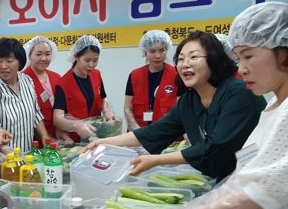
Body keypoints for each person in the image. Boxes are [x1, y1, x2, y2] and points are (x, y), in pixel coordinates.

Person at [132, 2, 288, 209]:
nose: (241, 69)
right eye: (239, 58)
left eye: (249, 56)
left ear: (285, 51)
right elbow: (246, 170)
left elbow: (262, 193)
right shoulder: (275, 106)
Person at [80, 30, 266, 183]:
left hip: (257, 180)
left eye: (194, 57)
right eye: (181, 59)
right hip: (226, 181)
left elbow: (214, 147)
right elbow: (154, 132)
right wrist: (103, 142)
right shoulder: (190, 101)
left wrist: (156, 160)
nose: (186, 64)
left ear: (215, 59)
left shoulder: (239, 93)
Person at [0, 37, 50, 153]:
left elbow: (36, 113)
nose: (3, 66)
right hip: (5, 156)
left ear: (20, 62)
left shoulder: (27, 80)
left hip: (28, 152)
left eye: (9, 61)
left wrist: (45, 138)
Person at [53, 35, 120, 143]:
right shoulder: (63, 84)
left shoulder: (97, 74)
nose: (91, 65)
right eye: (87, 60)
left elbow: (102, 98)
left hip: (96, 134)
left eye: (95, 60)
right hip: (75, 140)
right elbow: (57, 119)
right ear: (76, 57)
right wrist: (76, 125)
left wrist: (107, 112)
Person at [124, 30, 184, 131]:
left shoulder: (177, 75)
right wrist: (136, 129)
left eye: (162, 50)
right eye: (152, 51)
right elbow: (127, 108)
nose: (158, 56)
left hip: (168, 136)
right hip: (137, 137)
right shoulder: (134, 76)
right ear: (145, 52)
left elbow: (181, 110)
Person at [22, 36, 61, 138]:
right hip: (34, 137)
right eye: (38, 54)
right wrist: (46, 137)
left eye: (47, 54)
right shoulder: (22, 79)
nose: (43, 58)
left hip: (57, 133)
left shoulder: (56, 77)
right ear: (29, 56)